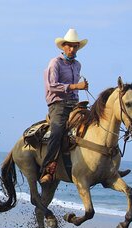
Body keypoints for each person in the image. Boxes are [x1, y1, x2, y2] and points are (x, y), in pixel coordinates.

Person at [40, 28, 88, 183]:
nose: (72, 49)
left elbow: (76, 89)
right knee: (57, 132)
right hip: (58, 104)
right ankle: (47, 170)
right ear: (63, 46)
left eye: (75, 46)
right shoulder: (55, 63)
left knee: (93, 123)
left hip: (74, 104)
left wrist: (80, 90)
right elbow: (52, 86)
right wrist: (75, 86)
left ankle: (105, 165)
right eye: (69, 46)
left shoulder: (77, 65)